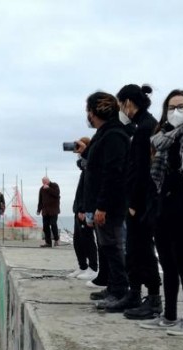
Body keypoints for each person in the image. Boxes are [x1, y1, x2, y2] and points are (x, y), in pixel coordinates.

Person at [140, 89, 183, 334]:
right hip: (162, 211)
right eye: (171, 107)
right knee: (168, 266)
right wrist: (155, 208)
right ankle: (169, 316)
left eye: (181, 106)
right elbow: (155, 177)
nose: (176, 111)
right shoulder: (161, 137)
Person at [115, 84, 161, 317]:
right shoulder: (143, 126)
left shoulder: (145, 128)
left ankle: (152, 299)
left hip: (141, 203)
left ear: (129, 103)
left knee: (142, 249)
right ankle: (134, 293)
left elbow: (143, 170)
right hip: (139, 201)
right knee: (134, 250)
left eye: (121, 104)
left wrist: (133, 203)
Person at [82, 91, 131, 311]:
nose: (88, 116)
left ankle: (120, 290)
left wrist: (102, 206)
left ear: (94, 112)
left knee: (113, 246)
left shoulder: (113, 135)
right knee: (107, 246)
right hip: (100, 203)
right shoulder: (105, 134)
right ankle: (113, 287)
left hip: (110, 205)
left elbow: (113, 174)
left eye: (88, 111)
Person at [68, 137, 98, 280]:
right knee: (77, 240)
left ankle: (93, 267)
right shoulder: (84, 168)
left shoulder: (90, 167)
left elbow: (89, 190)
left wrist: (84, 209)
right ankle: (82, 266)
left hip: (84, 209)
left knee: (87, 239)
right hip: (78, 208)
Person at [37, 176, 61, 247]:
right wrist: (39, 210)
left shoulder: (54, 185)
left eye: (45, 182)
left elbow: (57, 194)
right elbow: (40, 200)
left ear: (48, 181)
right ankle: (48, 242)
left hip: (53, 210)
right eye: (43, 182)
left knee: (53, 224)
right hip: (45, 211)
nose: (44, 183)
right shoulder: (41, 189)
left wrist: (48, 189)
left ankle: (56, 239)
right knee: (45, 226)